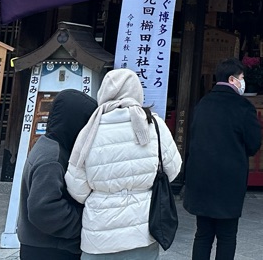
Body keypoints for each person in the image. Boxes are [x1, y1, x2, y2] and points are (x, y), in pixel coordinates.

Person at [65, 69, 182, 259]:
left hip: (99, 234)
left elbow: (76, 187)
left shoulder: (89, 129)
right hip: (142, 231)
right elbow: (173, 169)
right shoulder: (155, 125)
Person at [182, 58, 263, 260]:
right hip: (229, 179)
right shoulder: (243, 107)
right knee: (227, 235)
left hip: (201, 176)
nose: (244, 82)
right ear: (232, 79)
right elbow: (254, 144)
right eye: (242, 78)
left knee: (202, 234)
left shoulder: (202, 104)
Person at [18, 88, 98, 260]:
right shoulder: (52, 158)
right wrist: (85, 222)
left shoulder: (51, 144)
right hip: (50, 249)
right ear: (75, 122)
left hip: (44, 245)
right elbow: (43, 209)